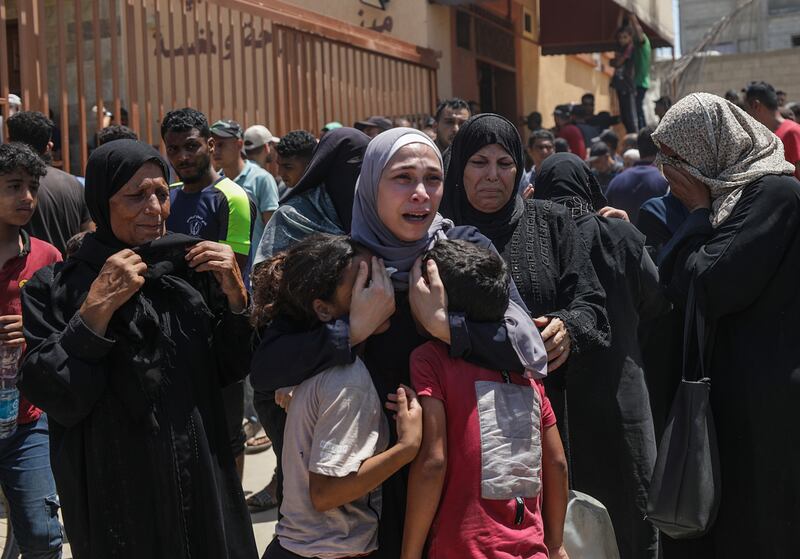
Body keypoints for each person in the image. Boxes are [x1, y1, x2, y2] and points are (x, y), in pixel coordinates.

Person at [250, 127, 548, 558]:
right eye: (403, 178)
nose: (421, 194)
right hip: (370, 484)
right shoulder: (341, 266)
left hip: (460, 480)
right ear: (370, 185)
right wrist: (351, 331)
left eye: (432, 179)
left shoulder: (464, 251)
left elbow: (528, 350)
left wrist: (449, 327)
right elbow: (268, 367)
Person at [18, 139, 258, 559]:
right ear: (100, 201)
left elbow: (230, 368)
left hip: (197, 480)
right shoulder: (54, 288)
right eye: (135, 195)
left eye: (162, 194)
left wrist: (237, 299)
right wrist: (96, 309)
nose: (155, 208)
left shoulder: (192, 270)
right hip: (117, 493)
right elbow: (52, 391)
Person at [652, 91, 800, 557]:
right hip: (732, 394)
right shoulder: (732, 197)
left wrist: (697, 211)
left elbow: (708, 283)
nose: (667, 168)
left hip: (767, 401)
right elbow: (675, 283)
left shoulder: (774, 194)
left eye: (676, 156)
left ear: (709, 145)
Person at [254, 234, 422, 559]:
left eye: (382, 275)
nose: (383, 291)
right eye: (365, 283)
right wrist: (407, 448)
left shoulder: (312, 366)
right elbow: (326, 492)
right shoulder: (344, 379)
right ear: (323, 309)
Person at [534, 153, 664, 559]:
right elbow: (657, 299)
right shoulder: (619, 234)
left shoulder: (534, 240)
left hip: (560, 400)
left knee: (572, 505)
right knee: (634, 498)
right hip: (622, 390)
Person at [403, 240, 569, 559]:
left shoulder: (430, 361)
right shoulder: (527, 371)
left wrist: (409, 553)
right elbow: (557, 464)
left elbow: (433, 463)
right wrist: (555, 543)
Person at [161, 109, 256, 481]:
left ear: (211, 145)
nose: (182, 157)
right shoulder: (166, 196)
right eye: (173, 149)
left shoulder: (232, 197)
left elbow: (233, 268)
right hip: (173, 332)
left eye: (191, 146)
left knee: (228, 433)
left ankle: (235, 510)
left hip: (220, 333)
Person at [0, 143, 63, 558]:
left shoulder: (47, 257)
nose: (27, 196)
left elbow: (66, 330)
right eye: (13, 186)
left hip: (27, 420)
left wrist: (35, 329)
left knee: (43, 535)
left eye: (32, 186)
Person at [7, 111, 94, 256]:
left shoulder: (6, 187)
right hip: (68, 274)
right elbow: (89, 235)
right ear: (49, 147)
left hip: (23, 276)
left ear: (9, 142)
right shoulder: (75, 184)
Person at [211, 119, 279, 261]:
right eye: (212, 144)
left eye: (221, 145)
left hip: (255, 271)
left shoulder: (261, 179)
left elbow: (273, 231)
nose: (215, 150)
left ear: (239, 144)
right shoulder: (214, 183)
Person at [605, 126, 669, 226]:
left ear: (638, 148)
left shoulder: (616, 181)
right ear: (660, 147)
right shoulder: (667, 180)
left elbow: (605, 216)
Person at [744, 81, 800, 179]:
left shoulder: (792, 132)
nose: (744, 114)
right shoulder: (762, 135)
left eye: (746, 109)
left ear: (755, 105)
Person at [624, 11, 651, 129]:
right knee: (637, 107)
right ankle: (641, 128)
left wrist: (633, 18)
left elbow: (639, 33)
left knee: (637, 108)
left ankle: (642, 128)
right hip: (640, 81)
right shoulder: (637, 45)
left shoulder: (642, 41)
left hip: (641, 82)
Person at [610, 25, 638, 133]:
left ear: (630, 38)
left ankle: (634, 139)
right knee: (624, 117)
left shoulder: (630, 49)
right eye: (620, 37)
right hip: (619, 86)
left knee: (630, 117)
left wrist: (615, 61)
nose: (621, 40)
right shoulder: (620, 49)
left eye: (624, 37)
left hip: (627, 86)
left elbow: (617, 62)